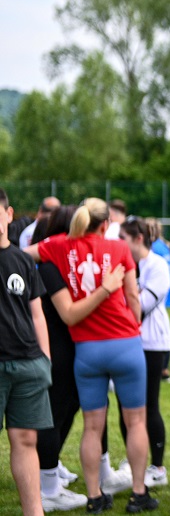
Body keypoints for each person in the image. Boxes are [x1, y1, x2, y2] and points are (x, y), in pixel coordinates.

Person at [26, 198, 158, 513]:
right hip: (124, 343)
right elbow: (132, 296)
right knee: (136, 421)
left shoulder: (58, 245)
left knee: (92, 426)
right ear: (106, 223)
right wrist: (134, 320)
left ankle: (95, 496)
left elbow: (17, 255)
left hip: (86, 348)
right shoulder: (119, 249)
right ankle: (139, 493)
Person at [0, 188, 52, 516]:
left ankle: (34, 513)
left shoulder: (21, 259)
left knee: (25, 440)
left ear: (8, 214)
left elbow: (37, 314)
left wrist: (44, 359)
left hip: (28, 365)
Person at [119, 217, 170, 487]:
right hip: (128, 342)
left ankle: (158, 467)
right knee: (124, 406)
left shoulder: (158, 265)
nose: (118, 244)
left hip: (152, 343)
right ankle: (133, 459)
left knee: (149, 405)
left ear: (138, 239)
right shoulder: (123, 263)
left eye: (123, 239)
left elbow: (139, 308)